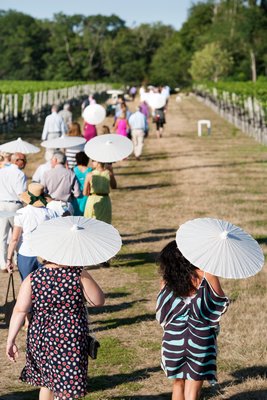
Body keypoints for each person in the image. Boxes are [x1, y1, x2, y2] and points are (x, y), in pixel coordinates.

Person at [6, 247, 105, 399]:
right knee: (68, 385)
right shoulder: (78, 274)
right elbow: (98, 301)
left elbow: (20, 310)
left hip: (40, 337)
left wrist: (10, 340)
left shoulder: (33, 277)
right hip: (70, 338)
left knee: (47, 384)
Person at [156, 241, 229, 400]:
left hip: (173, 338)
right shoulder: (206, 275)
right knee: (193, 389)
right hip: (200, 337)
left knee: (178, 384)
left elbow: (162, 310)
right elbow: (221, 302)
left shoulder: (166, 280)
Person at [6, 183, 58, 281]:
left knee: (26, 288)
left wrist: (9, 259)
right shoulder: (51, 213)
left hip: (26, 255)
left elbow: (14, 239)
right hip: (45, 255)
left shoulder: (21, 213)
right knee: (44, 288)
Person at [0, 153, 27, 272]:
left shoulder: (2, 171)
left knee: (2, 235)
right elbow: (20, 192)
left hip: (2, 203)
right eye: (23, 160)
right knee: (18, 235)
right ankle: (18, 260)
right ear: (17, 161)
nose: (25, 162)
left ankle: (2, 263)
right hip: (14, 204)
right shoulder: (20, 174)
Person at [41, 151, 80, 216]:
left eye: (51, 160)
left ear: (56, 160)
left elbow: (42, 191)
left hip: (51, 205)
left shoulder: (47, 174)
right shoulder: (71, 173)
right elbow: (77, 194)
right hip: (66, 206)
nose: (51, 162)